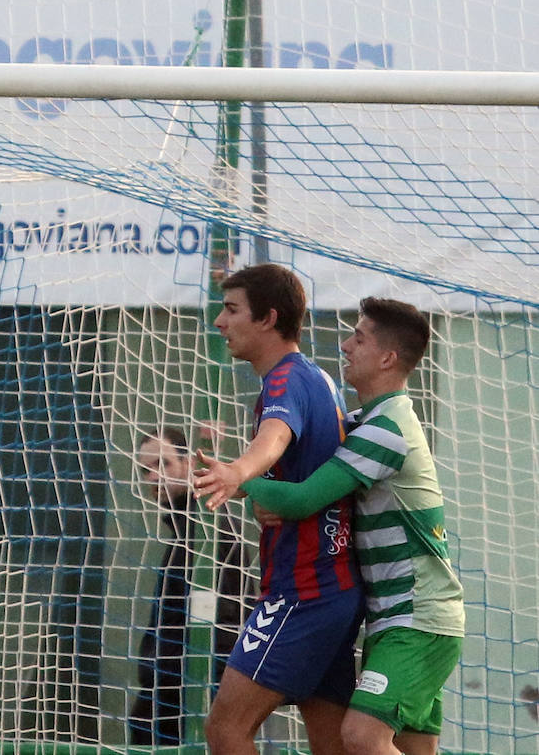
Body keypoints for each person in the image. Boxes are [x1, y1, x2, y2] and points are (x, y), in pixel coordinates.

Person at [213, 298, 464, 755]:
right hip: (394, 619)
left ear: (387, 358)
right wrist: (269, 493)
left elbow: (305, 498)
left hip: (418, 619)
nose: (345, 345)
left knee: (361, 737)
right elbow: (296, 490)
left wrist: (239, 479)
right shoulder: (364, 423)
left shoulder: (385, 430)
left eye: (359, 338)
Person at [190, 263, 362, 755]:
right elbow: (293, 464)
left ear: (267, 318)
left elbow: (274, 439)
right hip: (333, 589)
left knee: (225, 729)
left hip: (303, 593)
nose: (220, 322)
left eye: (231, 309)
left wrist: (236, 473)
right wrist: (257, 487)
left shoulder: (285, 382)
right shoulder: (318, 380)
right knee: (332, 745)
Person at [128, 428, 197, 746]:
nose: (153, 477)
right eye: (146, 469)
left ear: (188, 465)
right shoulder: (180, 535)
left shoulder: (205, 534)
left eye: (163, 464)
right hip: (163, 701)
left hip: (185, 703)